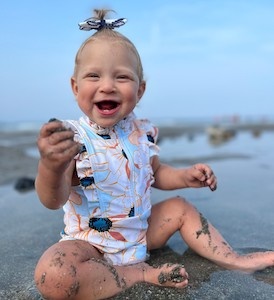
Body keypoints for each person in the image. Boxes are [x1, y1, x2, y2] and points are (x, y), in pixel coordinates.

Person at [34, 8, 274, 300]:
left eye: (122, 77)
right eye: (93, 76)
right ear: (75, 87)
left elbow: (156, 172)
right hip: (91, 245)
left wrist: (185, 176)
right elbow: (52, 199)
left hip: (142, 236)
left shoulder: (141, 132)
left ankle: (233, 259)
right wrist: (51, 166)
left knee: (180, 207)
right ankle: (139, 274)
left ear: (141, 90)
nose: (107, 85)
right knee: (53, 275)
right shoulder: (73, 138)